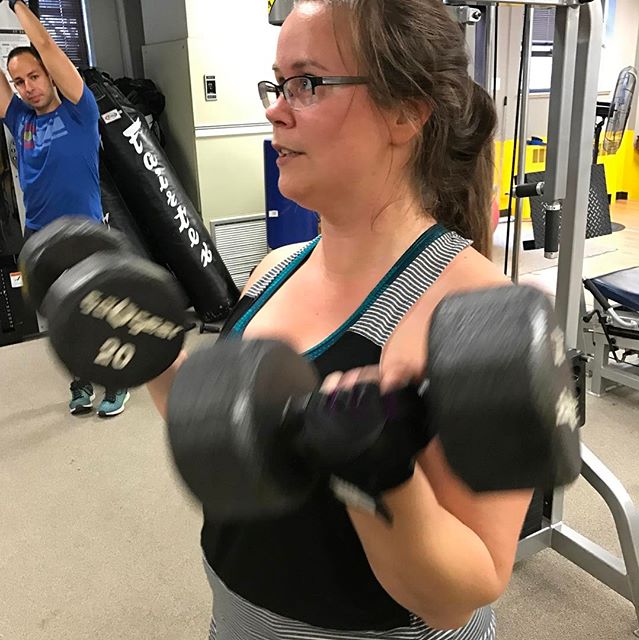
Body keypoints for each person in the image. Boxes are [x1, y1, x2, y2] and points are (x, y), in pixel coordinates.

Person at [148, 0, 532, 637]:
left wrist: (381, 482)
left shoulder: (477, 313)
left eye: (308, 82)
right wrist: (151, 353)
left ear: (407, 111)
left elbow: (460, 594)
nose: (275, 107)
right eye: (276, 83)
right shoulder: (274, 268)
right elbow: (232, 434)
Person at [0, 0, 129, 417]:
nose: (28, 86)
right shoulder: (19, 118)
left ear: (50, 75)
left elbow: (46, 44)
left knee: (96, 310)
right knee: (61, 315)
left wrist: (17, 5)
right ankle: (80, 382)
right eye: (18, 81)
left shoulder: (80, 110)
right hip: (39, 235)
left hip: (84, 232)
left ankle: (115, 382)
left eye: (34, 75)